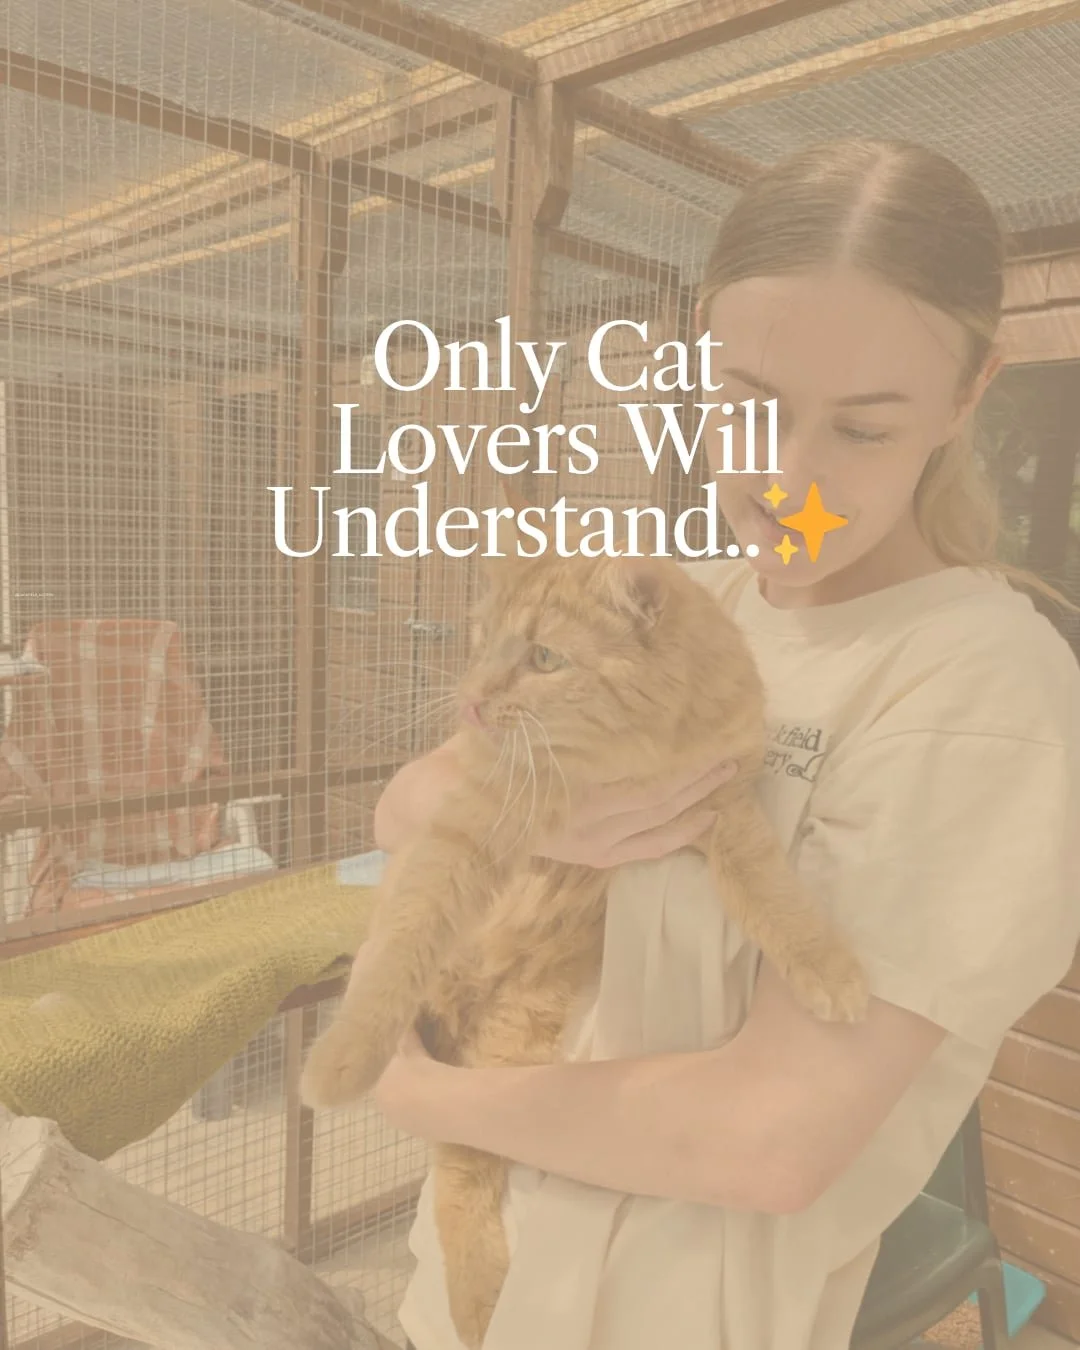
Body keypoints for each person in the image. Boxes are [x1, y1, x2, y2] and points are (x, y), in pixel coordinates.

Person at [371, 138, 1080, 1350]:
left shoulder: (979, 688)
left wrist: (415, 1088)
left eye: (863, 430)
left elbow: (770, 1139)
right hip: (466, 1282)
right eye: (751, 406)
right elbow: (407, 801)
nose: (786, 480)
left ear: (968, 396)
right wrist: (531, 814)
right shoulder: (696, 599)